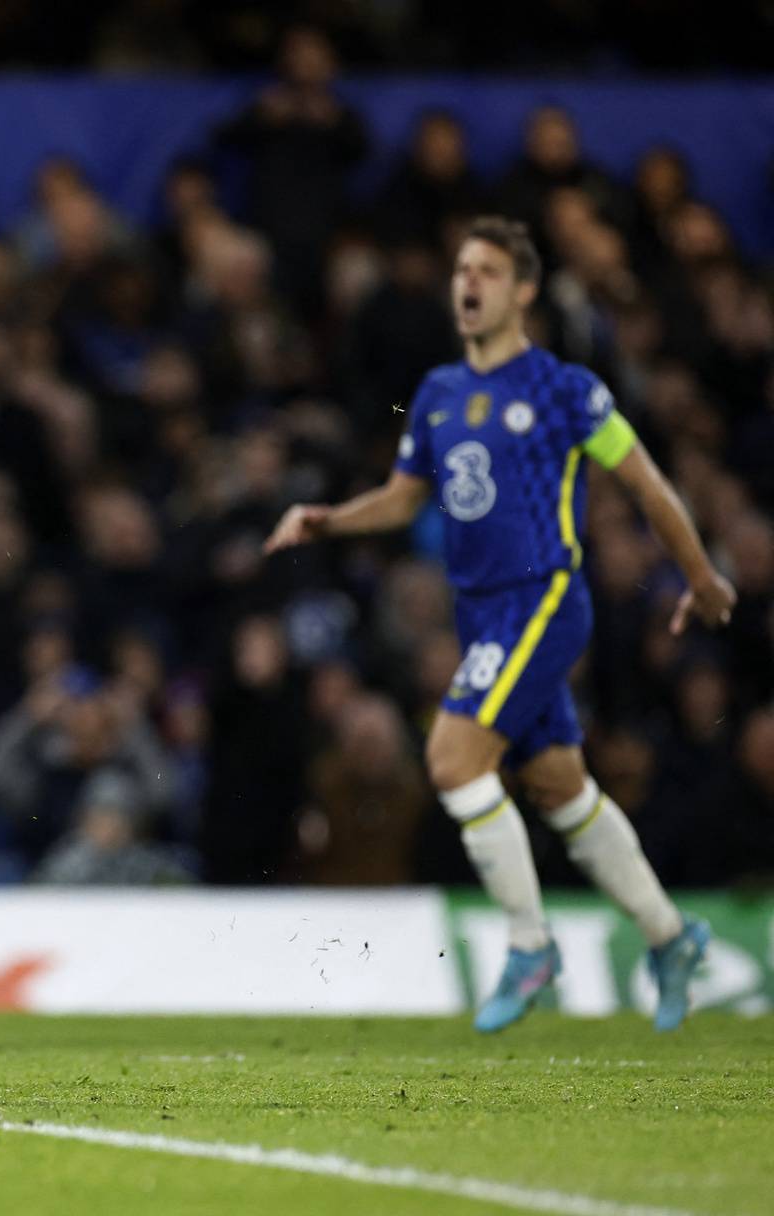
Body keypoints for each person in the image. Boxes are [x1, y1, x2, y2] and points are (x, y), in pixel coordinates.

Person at [265, 216, 735, 1034]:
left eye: (486, 271)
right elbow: (405, 498)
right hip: (482, 612)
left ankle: (529, 944)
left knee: (452, 760)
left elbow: (649, 486)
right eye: (460, 271)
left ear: (523, 290)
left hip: (545, 596)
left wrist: (701, 577)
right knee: (559, 787)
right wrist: (328, 521)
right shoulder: (441, 394)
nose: (468, 284)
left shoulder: (565, 389)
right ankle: (671, 935)